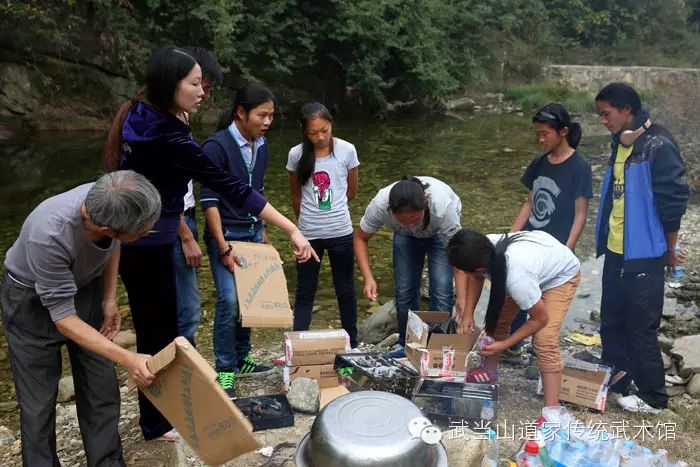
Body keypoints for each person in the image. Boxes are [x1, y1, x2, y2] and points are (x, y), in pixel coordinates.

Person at [103, 45, 318, 441]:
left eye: (204, 83)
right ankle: (156, 423)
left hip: (145, 237)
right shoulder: (168, 136)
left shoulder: (140, 113)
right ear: (171, 85)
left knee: (162, 329)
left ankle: (159, 416)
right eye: (196, 83)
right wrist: (291, 228)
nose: (204, 91)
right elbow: (229, 187)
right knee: (158, 333)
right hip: (147, 244)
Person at [1, 171, 160, 466]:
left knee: (101, 388)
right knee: (38, 403)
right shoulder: (49, 234)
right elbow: (63, 320)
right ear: (105, 227)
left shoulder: (112, 197)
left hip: (84, 286)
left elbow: (113, 245)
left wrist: (109, 297)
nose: (146, 233)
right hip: (30, 301)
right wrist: (128, 358)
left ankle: (107, 462)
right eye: (140, 232)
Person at [594, 82, 689, 414]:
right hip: (616, 249)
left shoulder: (658, 144)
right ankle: (618, 380)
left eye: (606, 114)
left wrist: (671, 249)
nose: (603, 121)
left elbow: (674, 200)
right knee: (611, 321)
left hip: (646, 252)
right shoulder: (620, 143)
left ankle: (654, 397)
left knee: (641, 326)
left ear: (626, 110)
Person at [200, 83, 277, 399]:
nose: (267, 122)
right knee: (229, 300)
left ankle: (243, 357)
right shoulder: (215, 148)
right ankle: (225, 370)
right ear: (241, 113)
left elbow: (256, 193)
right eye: (262, 115)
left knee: (250, 300)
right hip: (226, 236)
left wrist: (263, 233)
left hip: (252, 233)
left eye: (271, 115)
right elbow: (208, 201)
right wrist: (223, 247)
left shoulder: (262, 145)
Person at [447, 229, 580, 410]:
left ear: (478, 268)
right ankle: (490, 372)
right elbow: (477, 277)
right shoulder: (483, 249)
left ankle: (552, 411)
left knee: (544, 339)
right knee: (499, 318)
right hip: (536, 260)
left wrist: (505, 344)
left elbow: (540, 319)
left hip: (560, 275)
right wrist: (468, 314)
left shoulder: (517, 278)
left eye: (464, 272)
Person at [505, 103, 592, 362]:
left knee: (547, 300)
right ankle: (512, 345)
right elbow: (530, 203)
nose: (541, 139)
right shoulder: (540, 163)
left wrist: (568, 249)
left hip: (557, 248)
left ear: (563, 131)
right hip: (530, 241)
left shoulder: (579, 166)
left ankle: (538, 351)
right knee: (521, 291)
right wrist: (511, 236)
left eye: (545, 134)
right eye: (538, 134)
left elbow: (581, 213)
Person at [355, 176, 462, 358]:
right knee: (404, 291)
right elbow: (360, 238)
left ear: (425, 203)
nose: (412, 225)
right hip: (404, 237)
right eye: (404, 220)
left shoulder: (443, 207)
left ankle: (438, 349)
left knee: (442, 291)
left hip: (439, 234)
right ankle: (409, 346)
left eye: (414, 218)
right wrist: (368, 278)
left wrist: (461, 296)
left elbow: (459, 259)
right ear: (391, 211)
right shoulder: (380, 204)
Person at [287, 102, 360, 348]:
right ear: (303, 131)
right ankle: (297, 345)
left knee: (346, 290)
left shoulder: (347, 150)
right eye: (313, 132)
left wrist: (331, 210)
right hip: (308, 236)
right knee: (305, 292)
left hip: (341, 231)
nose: (319, 137)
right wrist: (302, 227)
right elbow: (296, 196)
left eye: (324, 130)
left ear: (331, 125)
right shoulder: (296, 154)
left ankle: (352, 343)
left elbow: (351, 190)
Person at [174, 47, 224, 346]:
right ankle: (185, 377)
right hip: (176, 223)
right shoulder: (165, 126)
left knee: (184, 307)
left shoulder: (181, 119)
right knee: (188, 309)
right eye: (201, 85)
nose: (204, 93)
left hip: (184, 218)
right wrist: (186, 237)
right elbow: (163, 192)